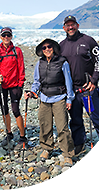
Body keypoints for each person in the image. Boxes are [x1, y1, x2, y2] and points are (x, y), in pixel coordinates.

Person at [60, 15, 99, 156]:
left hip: (88, 90)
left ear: (78, 25)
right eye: (67, 25)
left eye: (73, 24)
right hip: (72, 91)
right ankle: (79, 145)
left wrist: (94, 81)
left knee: (97, 118)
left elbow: (98, 62)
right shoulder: (61, 46)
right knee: (75, 120)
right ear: (64, 28)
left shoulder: (88, 41)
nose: (70, 27)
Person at [24, 38, 75, 166]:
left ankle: (67, 153)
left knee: (62, 127)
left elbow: (68, 81)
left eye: (49, 47)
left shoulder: (62, 62)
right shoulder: (39, 63)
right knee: (44, 124)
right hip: (44, 98)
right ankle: (47, 148)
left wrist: (69, 98)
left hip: (59, 98)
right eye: (44, 48)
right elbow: (37, 81)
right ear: (41, 50)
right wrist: (32, 92)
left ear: (54, 48)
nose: (47, 49)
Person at [0, 27, 26, 150]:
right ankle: (9, 133)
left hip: (14, 86)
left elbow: (21, 67)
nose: (6, 37)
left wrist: (21, 83)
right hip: (1, 85)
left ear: (11, 36)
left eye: (8, 35)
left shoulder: (17, 51)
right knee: (4, 109)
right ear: (1, 37)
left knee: (15, 110)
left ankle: (22, 136)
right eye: (4, 35)